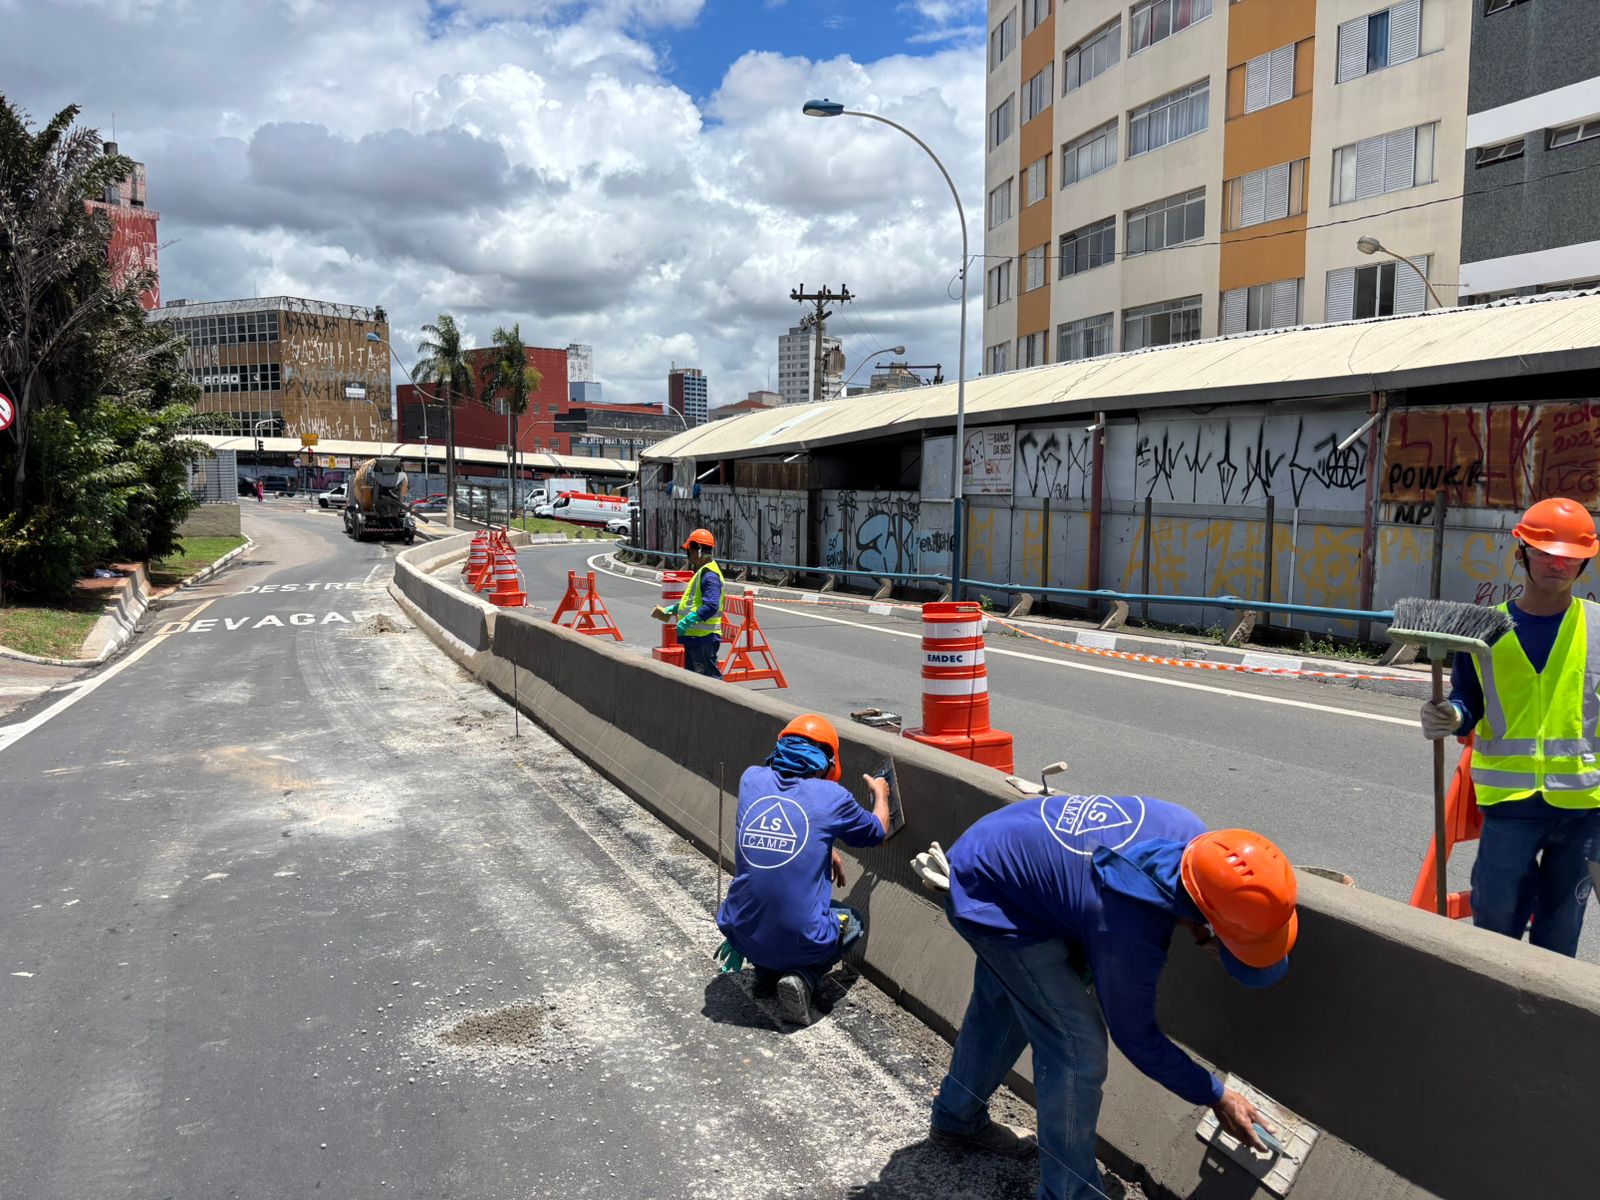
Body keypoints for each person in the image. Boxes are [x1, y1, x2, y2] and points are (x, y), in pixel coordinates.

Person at [926, 796, 1297, 1200]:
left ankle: (956, 1117)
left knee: (1007, 1004)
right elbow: (1137, 1038)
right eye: (1228, 947)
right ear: (1202, 925)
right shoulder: (1129, 927)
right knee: (1076, 1047)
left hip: (997, 847)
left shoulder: (1190, 834)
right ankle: (1069, 1194)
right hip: (991, 892)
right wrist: (1216, 1094)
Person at [1419, 496, 1600, 957]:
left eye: (1570, 557)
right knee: (1495, 924)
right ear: (1522, 553)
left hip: (1584, 807)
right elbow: (1468, 698)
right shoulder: (1483, 629)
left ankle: (1546, 1005)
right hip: (1508, 804)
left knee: (1560, 932)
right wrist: (1452, 715)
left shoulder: (1599, 627)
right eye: (1545, 552)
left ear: (1584, 561)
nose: (1558, 564)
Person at [716, 714, 892, 1026]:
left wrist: (824, 849)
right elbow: (877, 831)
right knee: (852, 922)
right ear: (828, 762)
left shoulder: (750, 779)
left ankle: (766, 974)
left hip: (740, 928)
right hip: (797, 937)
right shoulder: (832, 797)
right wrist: (881, 794)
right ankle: (804, 976)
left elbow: (788, 824)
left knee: (772, 912)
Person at [652, 527, 724, 679]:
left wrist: (688, 621)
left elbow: (711, 605)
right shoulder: (702, 572)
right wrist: (674, 609)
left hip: (703, 638)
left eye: (689, 551)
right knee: (694, 681)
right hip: (694, 637)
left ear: (697, 550)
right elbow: (693, 603)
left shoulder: (709, 575)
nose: (689, 556)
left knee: (709, 682)